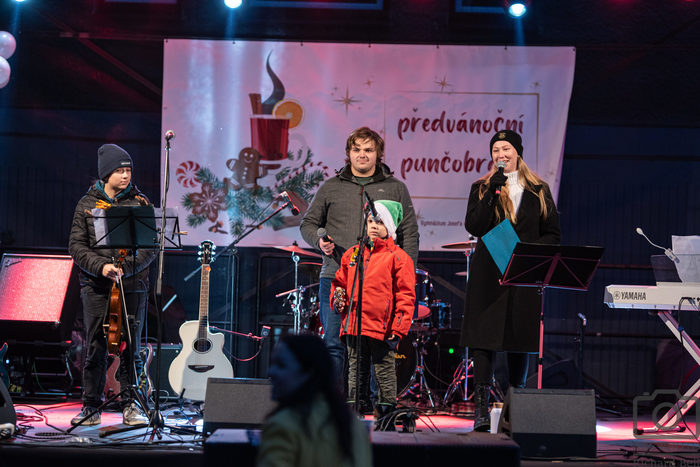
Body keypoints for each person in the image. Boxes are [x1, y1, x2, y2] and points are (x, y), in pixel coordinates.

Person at [300, 126, 419, 388]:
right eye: (356, 149)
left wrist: (405, 274)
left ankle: (377, 405)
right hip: (336, 278)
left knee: (379, 346)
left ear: (378, 154)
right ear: (348, 153)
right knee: (334, 344)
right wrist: (319, 241)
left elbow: (409, 233)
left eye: (368, 150)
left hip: (382, 282)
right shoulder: (331, 187)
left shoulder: (396, 188)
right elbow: (308, 224)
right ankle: (331, 404)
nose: (362, 155)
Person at [460, 130, 561, 432]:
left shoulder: (539, 189)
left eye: (506, 148)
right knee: (483, 338)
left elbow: (553, 234)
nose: (500, 154)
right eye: (496, 149)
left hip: (523, 273)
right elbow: (475, 226)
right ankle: (481, 410)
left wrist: (528, 254)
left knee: (520, 338)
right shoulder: (482, 187)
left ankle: (515, 409)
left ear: (518, 152)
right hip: (488, 273)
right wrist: (493, 189)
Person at [68, 144, 155, 426]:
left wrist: (126, 268)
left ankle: (131, 404)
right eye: (120, 171)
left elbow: (150, 247)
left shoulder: (140, 203)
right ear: (106, 174)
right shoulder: (86, 203)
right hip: (96, 285)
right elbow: (76, 246)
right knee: (96, 345)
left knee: (132, 347)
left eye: (128, 170)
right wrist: (101, 267)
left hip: (132, 286)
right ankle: (91, 406)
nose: (126, 175)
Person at [331, 200, 415, 422]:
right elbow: (339, 283)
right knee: (355, 370)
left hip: (382, 326)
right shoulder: (352, 254)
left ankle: (386, 414)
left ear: (390, 226)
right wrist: (337, 298)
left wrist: (398, 327)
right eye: (370, 221)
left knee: (384, 370)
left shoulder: (399, 257)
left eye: (380, 222)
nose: (374, 226)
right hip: (354, 324)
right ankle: (354, 412)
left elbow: (406, 296)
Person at [257, 334, 372, 467]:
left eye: (281, 365)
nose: (271, 372)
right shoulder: (354, 425)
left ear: (308, 373)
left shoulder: (283, 425)